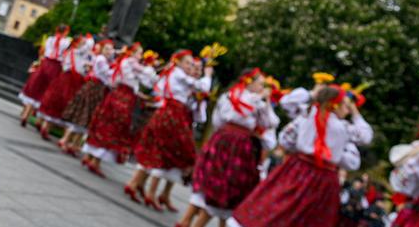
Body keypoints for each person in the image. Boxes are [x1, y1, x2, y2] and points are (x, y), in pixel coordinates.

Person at [229, 84, 374, 227]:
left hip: (298, 170)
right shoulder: (344, 128)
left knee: (279, 207)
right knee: (310, 218)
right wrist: (356, 113)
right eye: (346, 106)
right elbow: (366, 136)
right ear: (335, 106)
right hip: (324, 178)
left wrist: (300, 147)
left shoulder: (306, 116)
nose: (347, 110)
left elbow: (285, 139)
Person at [178, 68, 279, 227]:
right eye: (260, 84)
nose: (262, 87)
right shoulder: (257, 102)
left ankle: (187, 221)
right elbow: (270, 123)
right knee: (230, 184)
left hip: (221, 139)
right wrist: (265, 103)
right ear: (250, 83)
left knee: (212, 178)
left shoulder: (228, 95)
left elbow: (218, 121)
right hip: (240, 145)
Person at [127, 49, 214, 210]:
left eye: (192, 64)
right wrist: (208, 75)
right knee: (170, 151)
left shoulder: (175, 73)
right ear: (178, 62)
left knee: (159, 149)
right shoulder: (178, 73)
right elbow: (201, 86)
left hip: (170, 113)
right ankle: (144, 188)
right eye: (188, 63)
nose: (190, 66)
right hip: (173, 114)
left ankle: (137, 184)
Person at [82, 42, 151, 177]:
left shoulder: (124, 61)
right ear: (132, 53)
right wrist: (148, 67)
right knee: (113, 127)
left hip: (117, 94)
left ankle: (89, 156)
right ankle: (95, 161)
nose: (140, 56)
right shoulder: (130, 62)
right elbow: (146, 76)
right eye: (139, 53)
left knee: (104, 124)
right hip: (123, 97)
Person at [58, 39, 115, 155]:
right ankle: (65, 140)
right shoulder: (101, 59)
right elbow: (107, 73)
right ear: (102, 49)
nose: (109, 51)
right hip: (94, 87)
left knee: (86, 117)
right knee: (83, 115)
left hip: (97, 89)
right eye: (107, 49)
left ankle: (73, 144)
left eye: (111, 49)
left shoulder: (103, 60)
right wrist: (116, 68)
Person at [37, 34, 94, 140]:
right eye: (82, 42)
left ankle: (45, 126)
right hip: (71, 79)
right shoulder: (76, 51)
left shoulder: (73, 52)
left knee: (58, 101)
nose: (84, 44)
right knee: (63, 101)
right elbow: (88, 46)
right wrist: (90, 39)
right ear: (77, 43)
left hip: (68, 78)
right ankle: (47, 128)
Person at [18, 24, 72, 127]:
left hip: (45, 64)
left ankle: (25, 115)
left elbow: (44, 51)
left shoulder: (50, 39)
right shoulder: (66, 42)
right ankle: (38, 120)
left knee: (36, 89)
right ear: (65, 32)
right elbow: (66, 55)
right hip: (56, 67)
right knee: (46, 91)